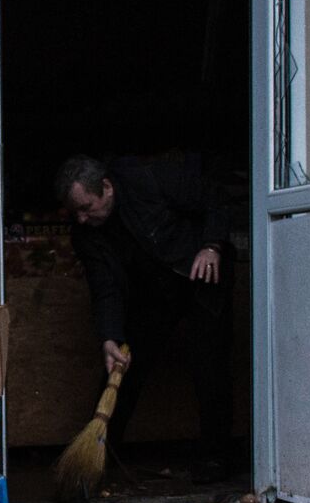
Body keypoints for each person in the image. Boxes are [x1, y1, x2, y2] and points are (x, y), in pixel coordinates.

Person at [56, 152, 236, 475]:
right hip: (152, 294)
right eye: (75, 213)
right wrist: (110, 336)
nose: (81, 218)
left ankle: (217, 457)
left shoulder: (151, 176)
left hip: (198, 274)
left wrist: (212, 245)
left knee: (209, 363)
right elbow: (105, 287)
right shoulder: (85, 233)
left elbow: (214, 198)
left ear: (107, 187)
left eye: (86, 208)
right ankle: (98, 460)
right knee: (123, 367)